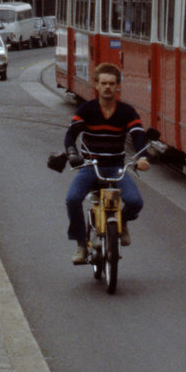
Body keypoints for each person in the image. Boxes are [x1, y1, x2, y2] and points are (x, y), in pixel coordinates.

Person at [63, 62, 149, 265]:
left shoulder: (127, 112)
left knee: (135, 202)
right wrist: (72, 153)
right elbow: (70, 136)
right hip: (90, 167)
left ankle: (122, 222)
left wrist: (142, 157)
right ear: (97, 85)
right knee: (72, 199)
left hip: (116, 167)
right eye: (104, 83)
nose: (108, 87)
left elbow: (138, 135)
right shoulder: (87, 109)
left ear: (118, 86)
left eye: (112, 83)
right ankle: (81, 244)